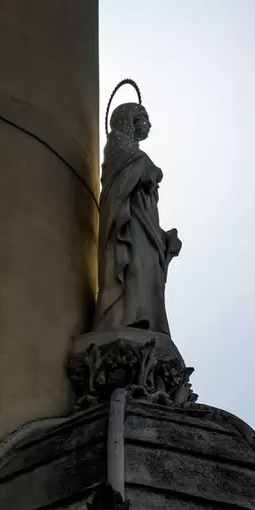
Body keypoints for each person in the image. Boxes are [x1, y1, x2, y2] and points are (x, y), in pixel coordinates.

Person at [93, 97, 181, 336]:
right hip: (127, 228)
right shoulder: (117, 147)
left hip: (144, 228)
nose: (149, 125)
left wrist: (163, 239)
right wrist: (144, 169)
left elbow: (144, 206)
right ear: (131, 119)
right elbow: (116, 187)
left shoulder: (135, 155)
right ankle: (124, 318)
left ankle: (147, 321)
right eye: (145, 118)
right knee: (134, 270)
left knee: (148, 273)